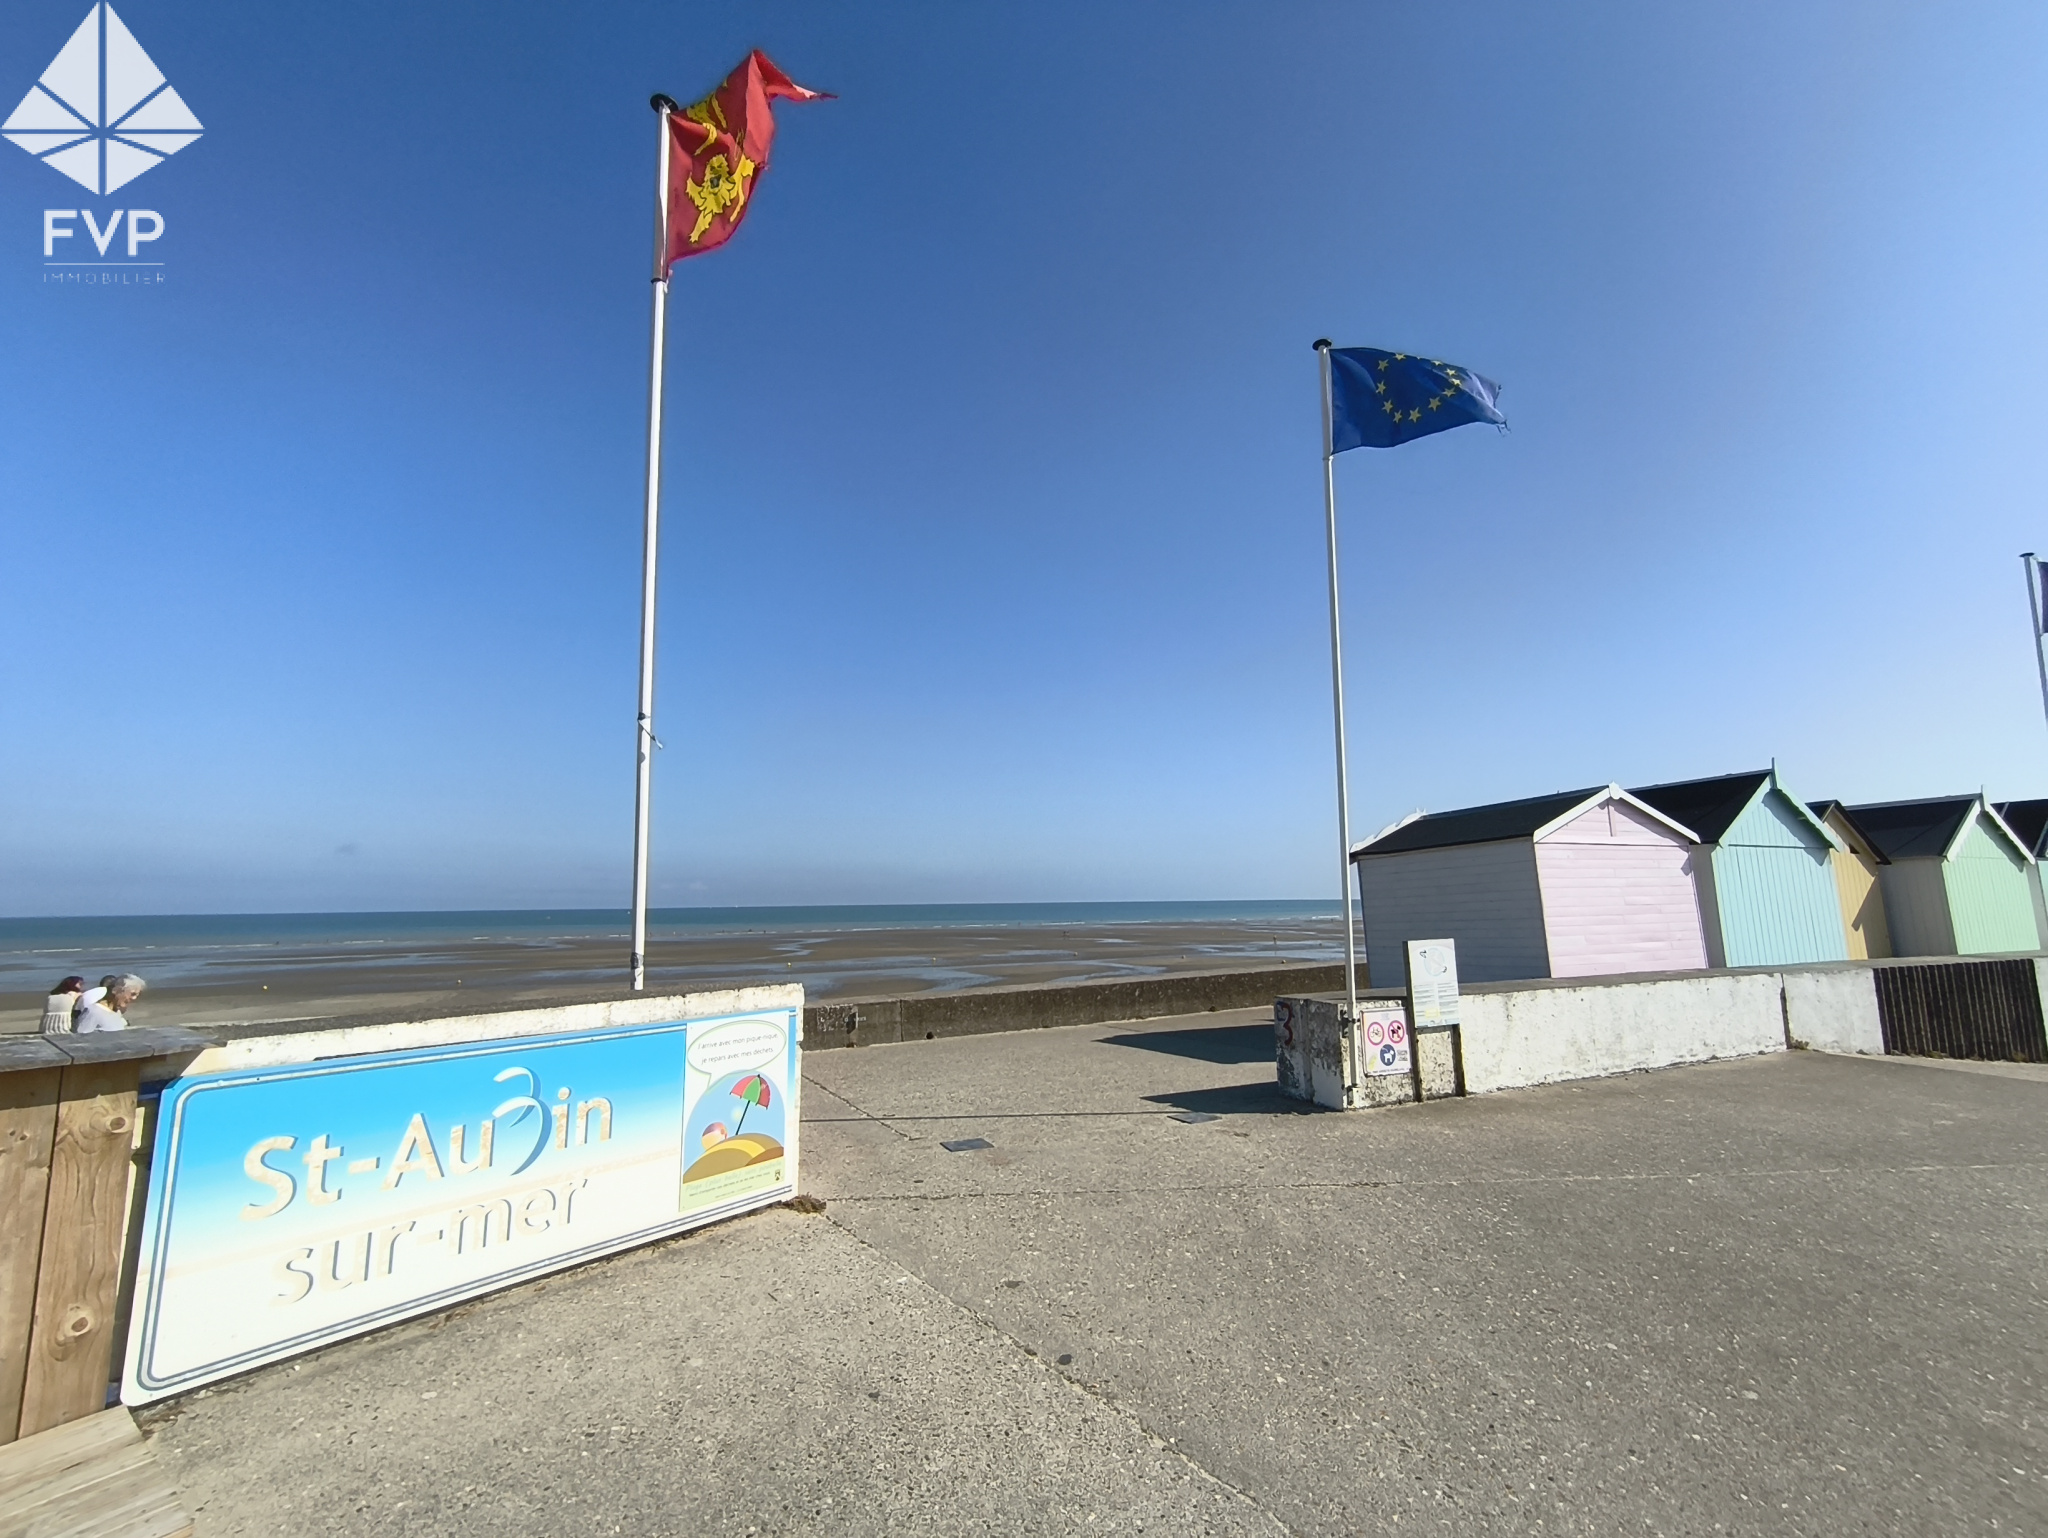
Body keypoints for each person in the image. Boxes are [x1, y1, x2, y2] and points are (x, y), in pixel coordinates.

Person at [74, 974, 144, 1033]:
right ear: (117, 990)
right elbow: (81, 1038)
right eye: (132, 994)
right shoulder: (93, 1011)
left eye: (137, 995)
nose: (134, 998)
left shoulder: (117, 1012)